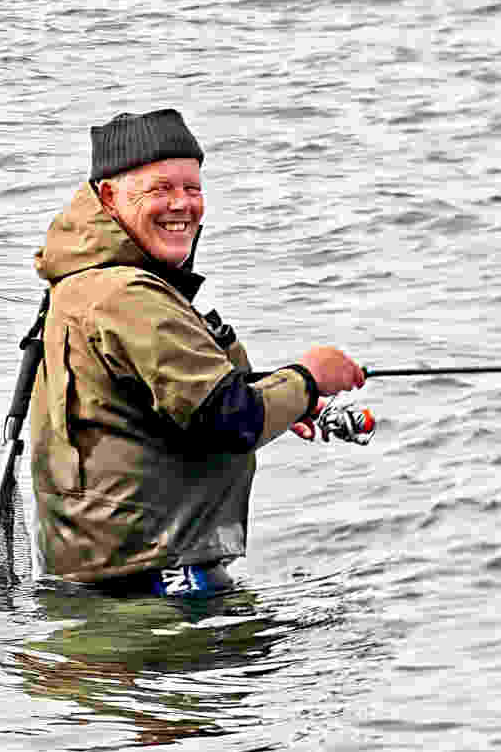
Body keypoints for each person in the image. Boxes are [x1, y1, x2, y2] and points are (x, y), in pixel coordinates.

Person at [28, 109, 365, 596]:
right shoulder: (127, 295)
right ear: (108, 197)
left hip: (100, 575)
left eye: (192, 189)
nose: (181, 205)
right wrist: (310, 378)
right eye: (161, 189)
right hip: (156, 581)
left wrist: (283, 398)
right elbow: (231, 418)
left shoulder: (83, 281)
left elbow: (158, 403)